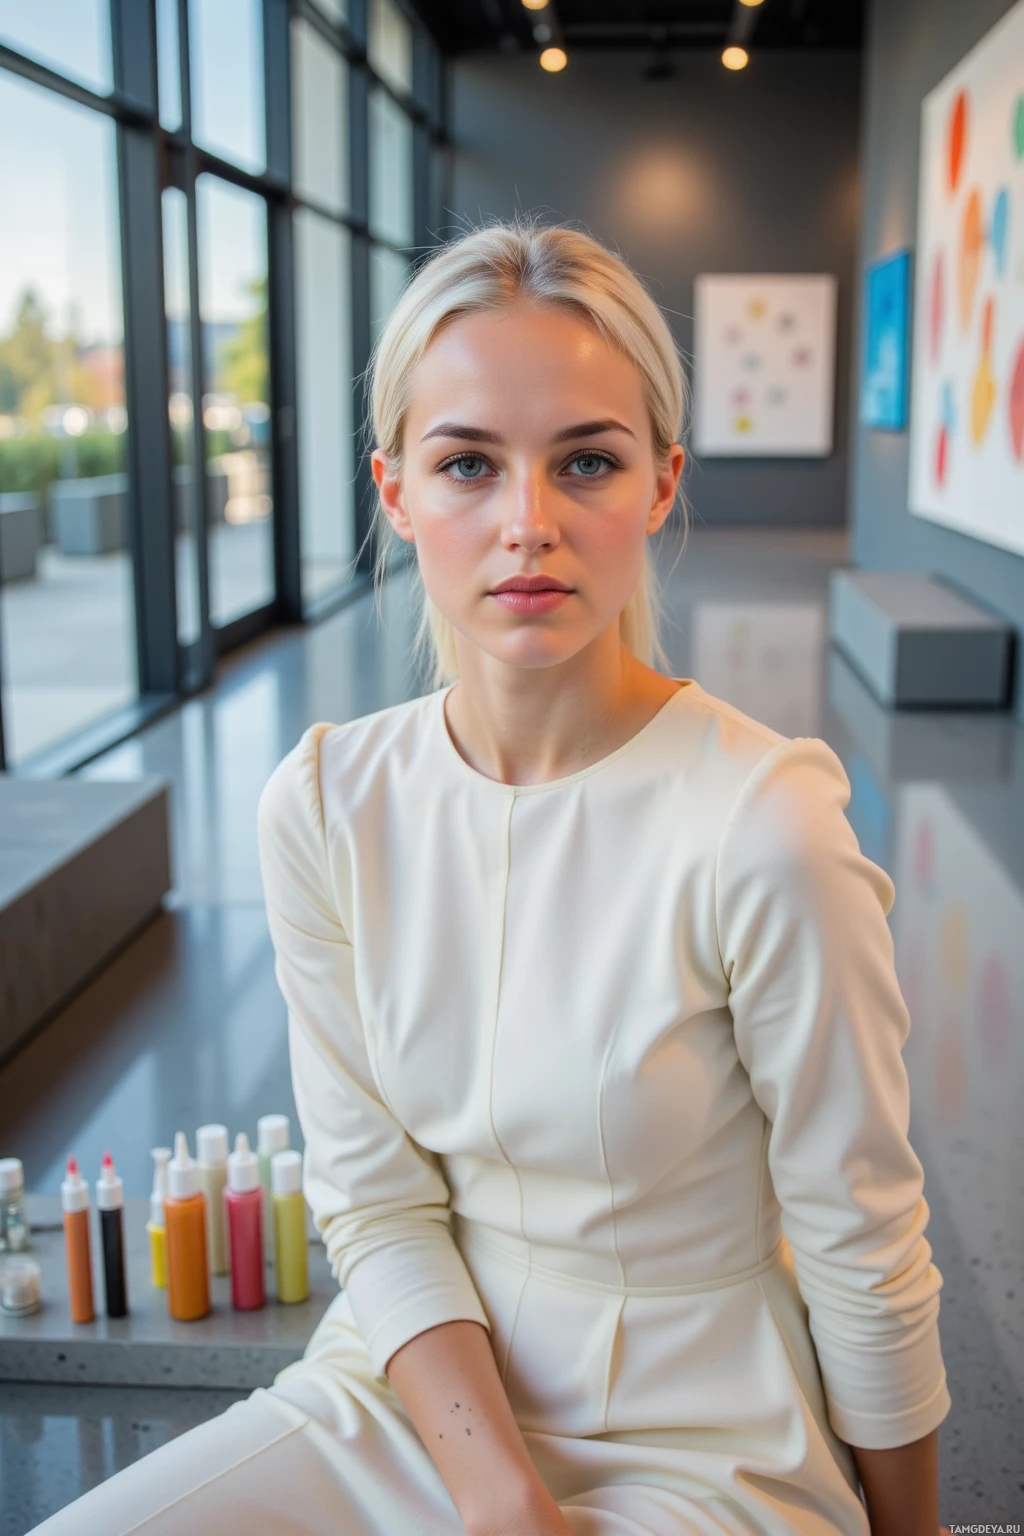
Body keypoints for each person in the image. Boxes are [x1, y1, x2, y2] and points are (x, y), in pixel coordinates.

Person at [32, 221, 952, 1536]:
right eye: (468, 463)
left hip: (705, 1432)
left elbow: (864, 1241)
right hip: (413, 1392)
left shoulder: (765, 822)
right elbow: (378, 1199)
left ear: (660, 483)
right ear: (396, 490)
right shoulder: (327, 803)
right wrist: (499, 1496)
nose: (529, 523)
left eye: (587, 461)